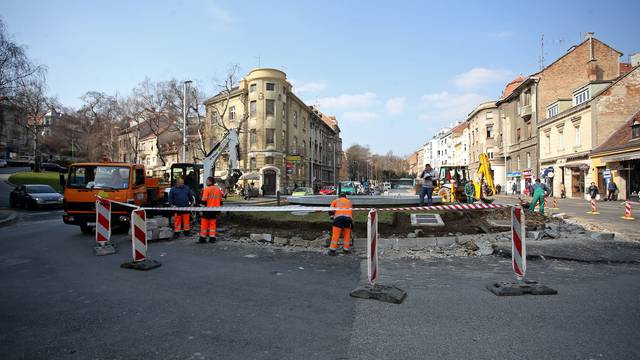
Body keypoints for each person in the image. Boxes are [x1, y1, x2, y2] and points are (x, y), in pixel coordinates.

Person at [199, 176, 223, 244]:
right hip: (215, 210)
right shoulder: (218, 190)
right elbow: (221, 202)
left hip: (207, 210)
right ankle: (212, 238)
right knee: (212, 225)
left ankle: (202, 238)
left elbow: (203, 201)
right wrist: (219, 211)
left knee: (204, 225)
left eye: (207, 181)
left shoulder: (207, 189)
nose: (206, 182)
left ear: (210, 182)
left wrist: (201, 210)